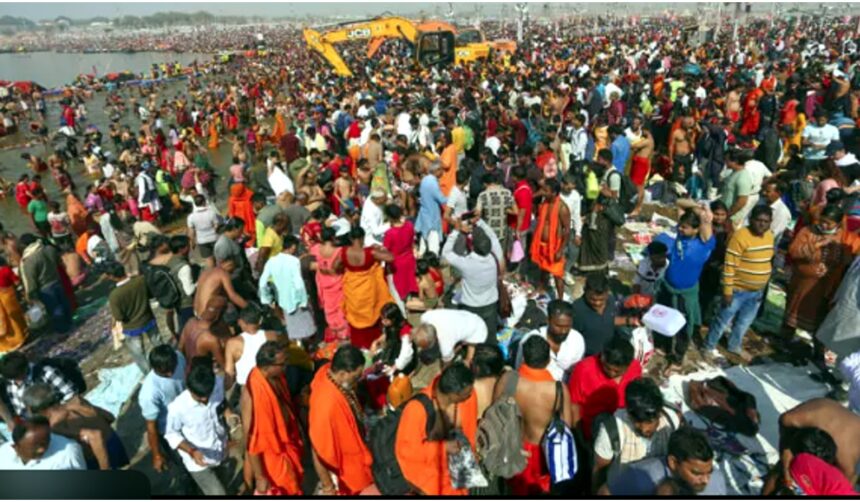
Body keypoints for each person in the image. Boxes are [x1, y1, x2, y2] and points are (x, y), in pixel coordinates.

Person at [497, 336, 573, 495]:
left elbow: (495, 416)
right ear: (548, 361)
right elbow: (567, 427)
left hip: (514, 450)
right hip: (543, 456)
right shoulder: (558, 389)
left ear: (524, 357)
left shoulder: (507, 379)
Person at [395, 362, 478, 495]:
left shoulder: (468, 399)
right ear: (454, 394)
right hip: (431, 486)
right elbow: (407, 452)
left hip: (459, 481)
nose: (471, 395)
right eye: (466, 394)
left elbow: (470, 435)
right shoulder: (416, 409)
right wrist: (443, 447)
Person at [704, 205, 775, 360]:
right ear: (751, 220)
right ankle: (708, 346)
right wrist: (728, 291)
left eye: (766, 221)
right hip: (738, 291)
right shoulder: (740, 237)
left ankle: (734, 345)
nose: (762, 224)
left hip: (757, 292)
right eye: (759, 220)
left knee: (743, 323)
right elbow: (729, 266)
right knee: (722, 321)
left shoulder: (769, 235)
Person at [653, 202, 715, 373]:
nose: (680, 229)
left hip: (685, 294)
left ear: (696, 230)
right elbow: (680, 202)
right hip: (668, 287)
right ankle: (664, 346)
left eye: (685, 227)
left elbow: (706, 224)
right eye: (680, 226)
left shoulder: (704, 244)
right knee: (664, 317)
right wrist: (698, 206)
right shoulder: (681, 237)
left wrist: (704, 215)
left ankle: (677, 359)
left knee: (683, 326)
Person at [784, 204, 860, 339]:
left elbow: (848, 260)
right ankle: (785, 339)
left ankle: (817, 350)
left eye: (828, 223)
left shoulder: (843, 237)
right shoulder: (808, 231)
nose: (824, 225)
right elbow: (794, 251)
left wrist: (837, 255)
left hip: (825, 287)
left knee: (819, 317)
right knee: (793, 312)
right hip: (802, 283)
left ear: (837, 224)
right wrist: (817, 244)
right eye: (822, 221)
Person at [592, 378, 683, 489]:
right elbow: (600, 471)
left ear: (659, 413)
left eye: (650, 422)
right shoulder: (611, 430)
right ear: (629, 414)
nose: (644, 429)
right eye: (638, 422)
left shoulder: (672, 420)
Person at [308, 345, 374, 495]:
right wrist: (328, 485)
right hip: (344, 472)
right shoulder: (326, 405)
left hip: (356, 460)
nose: (358, 380)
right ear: (343, 373)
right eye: (356, 377)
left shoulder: (329, 373)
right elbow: (318, 450)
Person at [241, 341, 304, 495]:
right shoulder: (254, 393)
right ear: (267, 367)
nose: (286, 366)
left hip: (287, 441)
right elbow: (251, 439)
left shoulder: (275, 376)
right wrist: (259, 476)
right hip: (273, 454)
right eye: (283, 363)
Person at [23, 383, 128, 470]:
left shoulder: (56, 425)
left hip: (98, 456)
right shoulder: (76, 403)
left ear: (35, 409)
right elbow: (109, 416)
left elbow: (95, 436)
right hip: (113, 442)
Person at [599, 426, 726, 496]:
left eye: (709, 472)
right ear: (673, 463)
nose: (706, 480)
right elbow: (605, 492)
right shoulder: (640, 477)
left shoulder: (717, 480)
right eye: (696, 473)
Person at [164, 359, 229, 496]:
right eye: (199, 397)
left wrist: (229, 413)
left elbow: (222, 403)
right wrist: (192, 451)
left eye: (208, 395)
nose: (205, 400)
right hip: (197, 461)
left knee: (224, 483)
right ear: (189, 388)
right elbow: (171, 434)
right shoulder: (178, 408)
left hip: (220, 450)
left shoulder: (217, 383)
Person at [568, 335, 642, 441]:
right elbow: (573, 406)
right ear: (602, 357)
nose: (612, 373)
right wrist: (580, 440)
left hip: (624, 432)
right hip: (592, 434)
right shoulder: (583, 370)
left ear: (629, 365)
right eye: (607, 368)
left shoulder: (635, 369)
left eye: (617, 371)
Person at [442, 216, 501, 341]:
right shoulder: (494, 257)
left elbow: (446, 253)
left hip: (471, 307)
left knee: (473, 337)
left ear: (472, 247)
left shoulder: (466, 263)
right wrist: (480, 221)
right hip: (491, 304)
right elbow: (493, 237)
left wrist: (455, 231)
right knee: (490, 338)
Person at [778, 398, 860, 485]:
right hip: (825, 410)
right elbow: (785, 446)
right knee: (781, 467)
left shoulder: (846, 460)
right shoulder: (790, 419)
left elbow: (845, 486)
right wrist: (786, 465)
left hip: (853, 433)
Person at [336, 227, 394, 349]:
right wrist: (379, 249)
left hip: (352, 288)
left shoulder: (344, 252)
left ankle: (359, 346)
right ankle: (375, 344)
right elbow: (390, 257)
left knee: (355, 316)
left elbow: (335, 266)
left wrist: (346, 268)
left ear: (351, 238)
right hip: (368, 290)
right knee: (372, 312)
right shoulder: (370, 252)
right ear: (363, 238)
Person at [104, 261, 160, 372]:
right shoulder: (140, 281)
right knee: (158, 343)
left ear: (111, 277)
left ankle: (148, 373)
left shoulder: (114, 295)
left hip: (132, 327)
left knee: (139, 354)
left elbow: (119, 317)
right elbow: (150, 295)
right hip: (148, 318)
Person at [138, 344, 186, 473]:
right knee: (183, 463)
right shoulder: (149, 393)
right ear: (154, 368)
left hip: (188, 416)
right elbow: (151, 427)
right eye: (164, 371)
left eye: (172, 368)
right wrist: (156, 454)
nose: (170, 373)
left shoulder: (180, 358)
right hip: (170, 429)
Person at [258, 234, 315, 340]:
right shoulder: (294, 261)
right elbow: (299, 284)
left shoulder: (272, 261)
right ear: (293, 247)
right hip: (297, 300)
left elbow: (262, 283)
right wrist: (303, 301)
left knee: (292, 331)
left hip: (282, 300)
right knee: (306, 330)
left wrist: (267, 299)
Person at [515, 299, 585, 382]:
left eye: (567, 326)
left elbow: (577, 371)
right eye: (558, 326)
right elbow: (520, 369)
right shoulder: (530, 340)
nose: (563, 331)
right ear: (548, 320)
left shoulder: (577, 340)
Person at [573, 273, 637, 356]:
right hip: (588, 356)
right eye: (592, 299)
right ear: (585, 290)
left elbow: (608, 320)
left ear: (607, 292)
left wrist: (629, 321)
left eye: (602, 299)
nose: (597, 303)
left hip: (608, 354)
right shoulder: (577, 310)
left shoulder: (611, 300)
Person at [19, 233, 73, 334]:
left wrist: (31, 294)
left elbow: (31, 279)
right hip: (56, 280)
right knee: (64, 302)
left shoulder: (29, 260)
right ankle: (69, 321)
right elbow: (58, 262)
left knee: (55, 308)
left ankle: (62, 328)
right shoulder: (49, 249)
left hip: (45, 287)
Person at [0, 351, 77, 421]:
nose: (17, 382)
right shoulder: (10, 384)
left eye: (18, 378)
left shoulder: (46, 373)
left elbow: (70, 395)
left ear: (25, 369)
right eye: (13, 379)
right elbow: (20, 411)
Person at [531, 178, 571, 299]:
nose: (543, 192)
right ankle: (541, 288)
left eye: (546, 190)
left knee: (557, 275)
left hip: (555, 246)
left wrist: (561, 250)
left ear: (554, 193)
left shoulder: (562, 208)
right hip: (542, 244)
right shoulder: (545, 203)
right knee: (543, 270)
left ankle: (560, 298)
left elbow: (567, 230)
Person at [0, 416, 86, 470]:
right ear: (16, 447)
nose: (42, 449)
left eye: (45, 442)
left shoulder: (68, 453)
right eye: (35, 447)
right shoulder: (3, 455)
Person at [225, 306, 281, 387]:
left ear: (241, 321)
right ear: (260, 321)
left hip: (247, 386)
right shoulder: (272, 335)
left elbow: (229, 372)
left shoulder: (233, 343)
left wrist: (225, 389)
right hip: (268, 383)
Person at [310, 228, 349, 342]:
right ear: (333, 237)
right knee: (340, 307)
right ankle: (344, 334)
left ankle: (335, 332)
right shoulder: (339, 250)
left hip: (323, 282)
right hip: (337, 281)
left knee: (329, 307)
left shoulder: (316, 249)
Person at [416, 310, 489, 364]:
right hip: (469, 317)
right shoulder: (425, 317)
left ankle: (461, 348)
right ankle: (460, 345)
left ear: (435, 339)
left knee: (468, 360)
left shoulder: (445, 343)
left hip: (477, 331)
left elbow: (447, 362)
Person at [383, 204, 418, 302]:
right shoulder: (409, 225)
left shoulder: (389, 233)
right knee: (410, 282)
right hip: (409, 258)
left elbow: (386, 251)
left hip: (397, 263)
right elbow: (412, 242)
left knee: (399, 289)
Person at [414, 162, 447, 256]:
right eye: (441, 170)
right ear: (437, 171)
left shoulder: (425, 180)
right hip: (432, 218)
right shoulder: (433, 182)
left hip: (424, 216)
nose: (442, 173)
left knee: (423, 244)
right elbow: (441, 199)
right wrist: (453, 198)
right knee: (434, 247)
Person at [721, 149, 756, 230]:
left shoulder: (743, 177)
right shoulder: (734, 172)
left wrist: (728, 214)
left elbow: (742, 201)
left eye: (727, 160)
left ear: (735, 161)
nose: (725, 162)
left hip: (732, 218)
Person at [0, 255, 28, 352]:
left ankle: (8, 342)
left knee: (6, 321)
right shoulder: (6, 270)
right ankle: (21, 338)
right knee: (15, 318)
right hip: (8, 297)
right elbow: (16, 282)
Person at [187, 194, 221, 268]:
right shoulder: (211, 213)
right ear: (204, 202)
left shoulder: (191, 217)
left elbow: (191, 231)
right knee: (219, 258)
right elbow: (216, 225)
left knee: (208, 259)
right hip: (214, 238)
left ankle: (212, 276)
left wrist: (192, 242)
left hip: (202, 241)